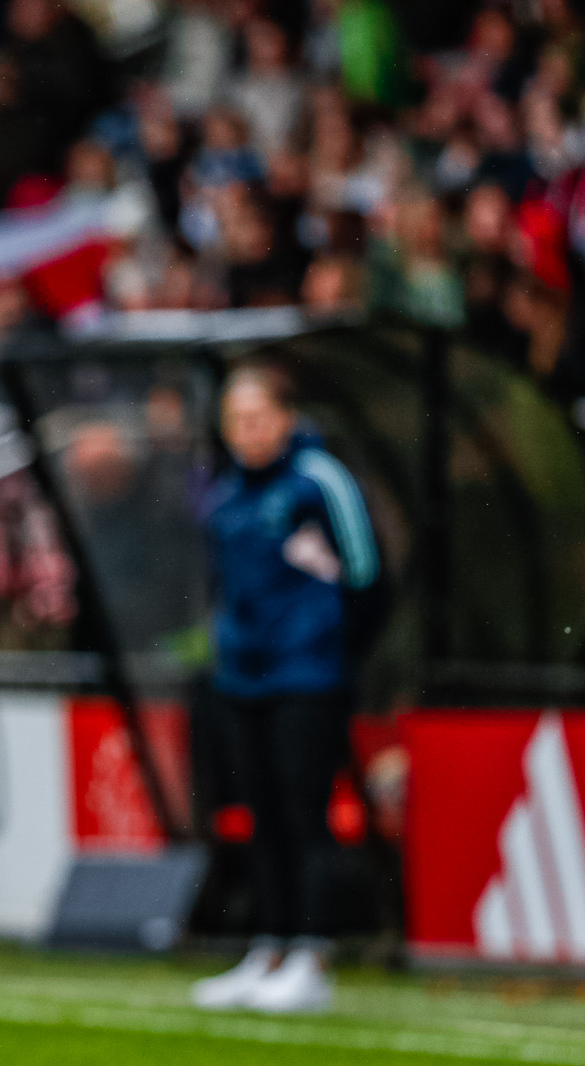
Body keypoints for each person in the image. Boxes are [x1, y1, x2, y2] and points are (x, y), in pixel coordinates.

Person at [191, 363, 380, 1015]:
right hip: (243, 676)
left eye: (258, 417)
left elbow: (366, 575)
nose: (247, 432)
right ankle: (267, 948)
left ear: (287, 417)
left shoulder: (319, 480)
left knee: (305, 814)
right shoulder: (223, 493)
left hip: (308, 676)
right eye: (235, 420)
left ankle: (312, 953)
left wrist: (325, 646)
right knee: (262, 814)